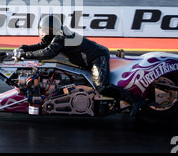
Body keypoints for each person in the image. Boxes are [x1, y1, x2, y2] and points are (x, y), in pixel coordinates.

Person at [14, 15, 144, 116]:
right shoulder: (58, 34)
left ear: (51, 29)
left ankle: (135, 100)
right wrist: (24, 48)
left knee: (102, 87)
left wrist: (26, 55)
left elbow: (48, 52)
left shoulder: (61, 36)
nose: (42, 33)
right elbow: (43, 45)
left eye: (43, 30)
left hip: (97, 57)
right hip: (90, 57)